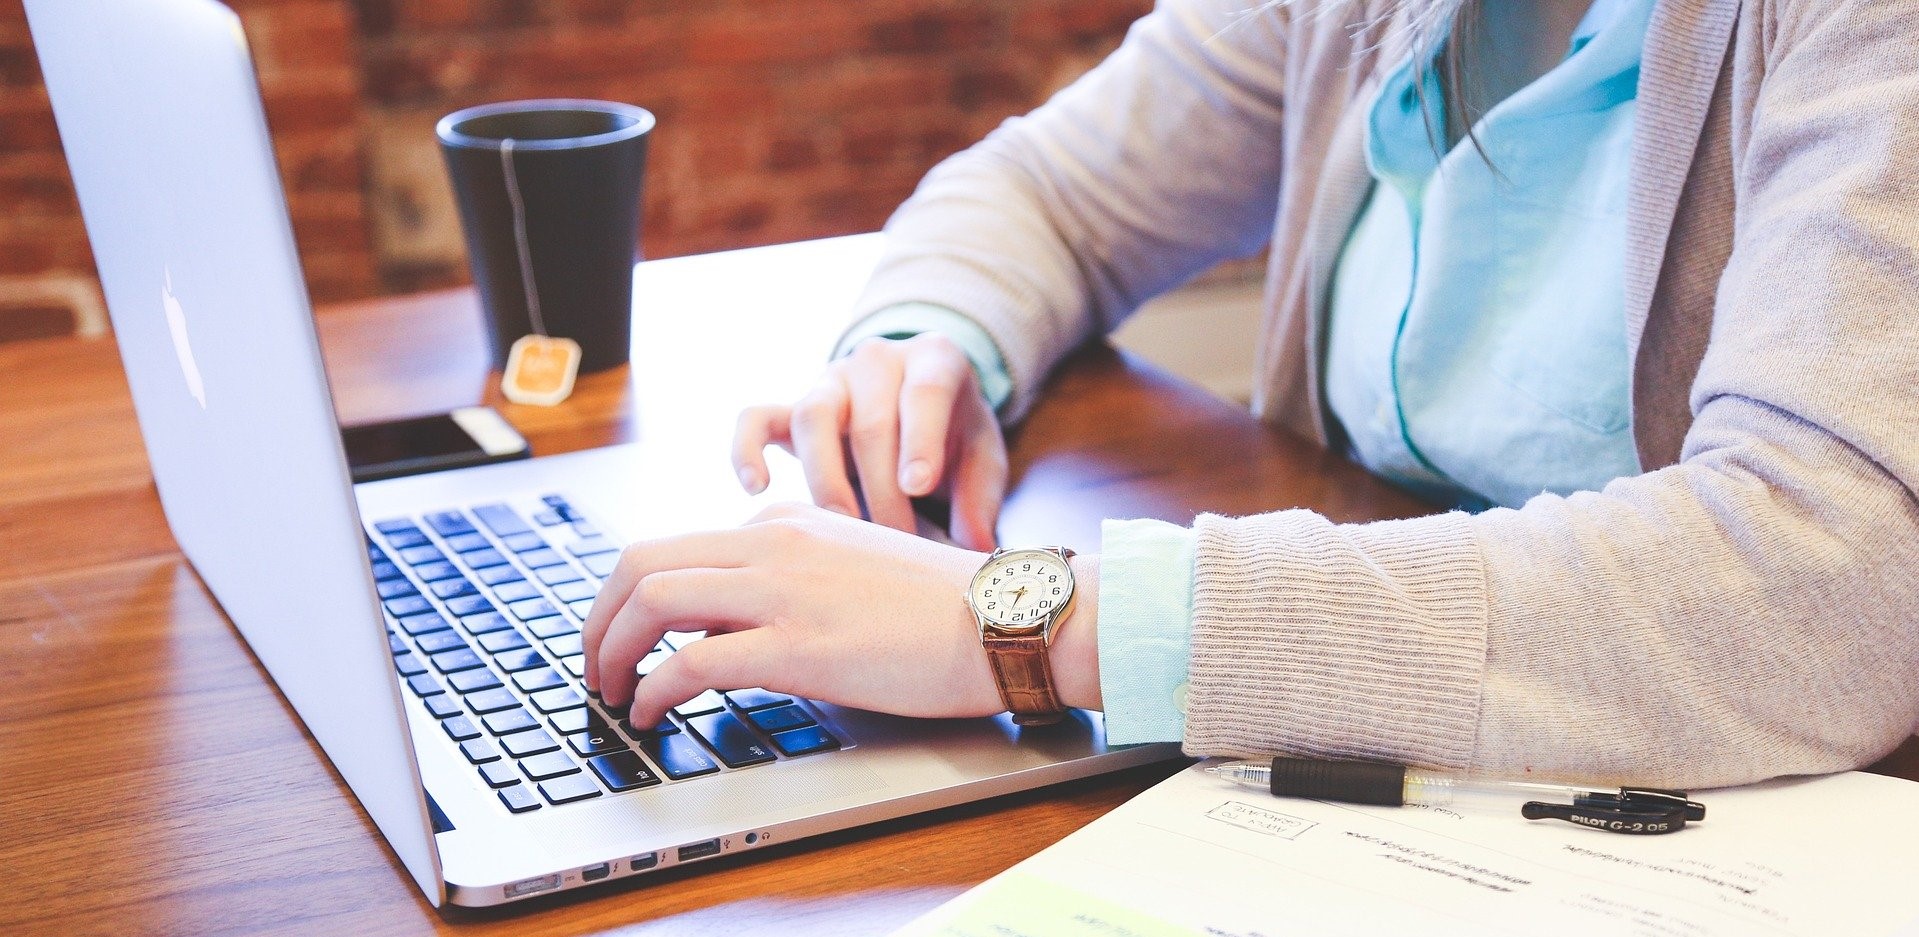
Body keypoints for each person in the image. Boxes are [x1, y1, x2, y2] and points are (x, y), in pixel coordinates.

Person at [583, 0, 1919, 787]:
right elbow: (1051, 190)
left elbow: (1832, 575)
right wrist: (925, 345)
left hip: (1716, 808)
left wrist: (1035, 622)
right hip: (1376, 777)